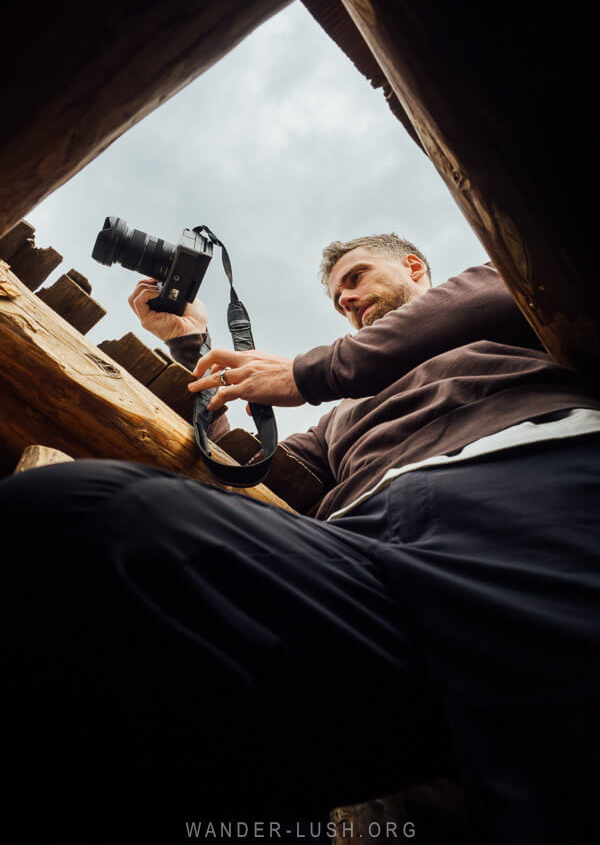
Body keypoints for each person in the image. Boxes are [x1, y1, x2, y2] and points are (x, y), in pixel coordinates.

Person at [2, 234, 599, 844]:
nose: (346, 297)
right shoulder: (339, 418)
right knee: (72, 512)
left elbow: (488, 293)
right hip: (362, 557)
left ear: (414, 267)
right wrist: (189, 342)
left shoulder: (504, 297)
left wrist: (307, 372)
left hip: (525, 484)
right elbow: (240, 467)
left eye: (357, 277)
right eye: (339, 296)